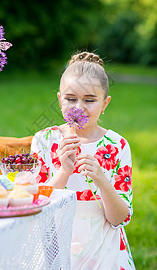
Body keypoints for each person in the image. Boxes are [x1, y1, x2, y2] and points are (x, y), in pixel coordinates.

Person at [31, 51, 136, 270]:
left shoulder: (117, 146)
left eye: (89, 100)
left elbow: (119, 219)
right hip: (57, 240)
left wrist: (101, 179)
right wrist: (63, 172)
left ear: (105, 103)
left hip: (104, 243)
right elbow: (37, 207)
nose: (78, 107)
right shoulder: (44, 140)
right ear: (59, 100)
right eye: (70, 99)